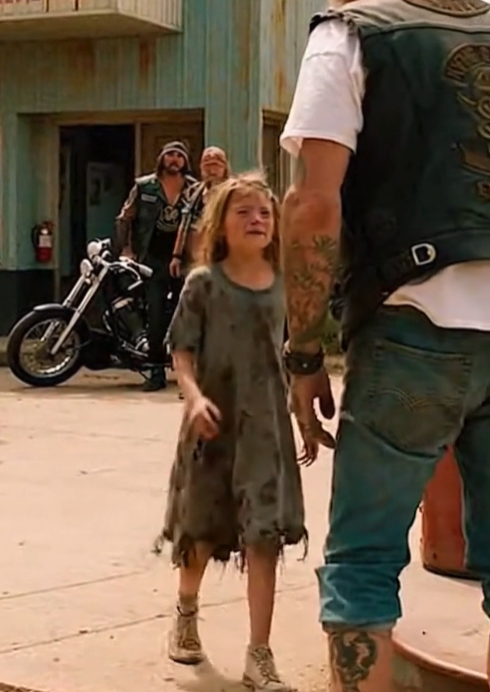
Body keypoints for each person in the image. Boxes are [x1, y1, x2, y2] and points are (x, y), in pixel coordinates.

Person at [279, 0, 490, 689]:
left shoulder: (351, 33)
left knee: (363, 561)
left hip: (413, 322)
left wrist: (304, 351)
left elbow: (313, 202)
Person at [154, 171, 327, 691]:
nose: (257, 220)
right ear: (220, 224)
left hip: (266, 428)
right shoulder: (203, 284)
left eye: (265, 213)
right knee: (202, 530)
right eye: (244, 212)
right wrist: (193, 397)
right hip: (213, 425)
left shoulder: (284, 286)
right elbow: (181, 350)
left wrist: (305, 420)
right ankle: (186, 614)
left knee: (264, 536)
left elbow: (291, 357)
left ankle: (260, 655)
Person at [115, 141, 198, 392]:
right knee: (155, 313)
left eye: (179, 156)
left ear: (185, 161)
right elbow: (125, 218)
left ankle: (188, 372)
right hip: (152, 260)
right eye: (170, 154)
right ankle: (155, 371)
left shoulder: (194, 189)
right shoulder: (144, 186)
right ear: (162, 158)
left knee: (187, 314)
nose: (174, 159)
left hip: (185, 260)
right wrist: (126, 249)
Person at [169, 145, 231, 278]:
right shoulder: (193, 192)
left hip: (223, 256)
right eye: (207, 166)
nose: (211, 171)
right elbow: (184, 224)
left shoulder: (232, 193)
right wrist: (176, 255)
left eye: (215, 165)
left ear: (224, 168)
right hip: (194, 257)